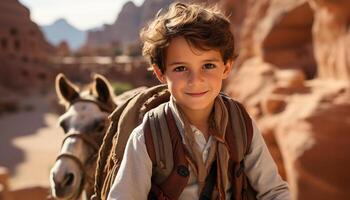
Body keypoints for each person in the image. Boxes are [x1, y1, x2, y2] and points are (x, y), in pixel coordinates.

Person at [107, 2, 290, 200]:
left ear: (226, 68)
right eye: (180, 68)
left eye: (208, 65)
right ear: (161, 73)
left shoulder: (240, 126)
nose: (196, 80)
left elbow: (273, 191)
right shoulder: (147, 136)